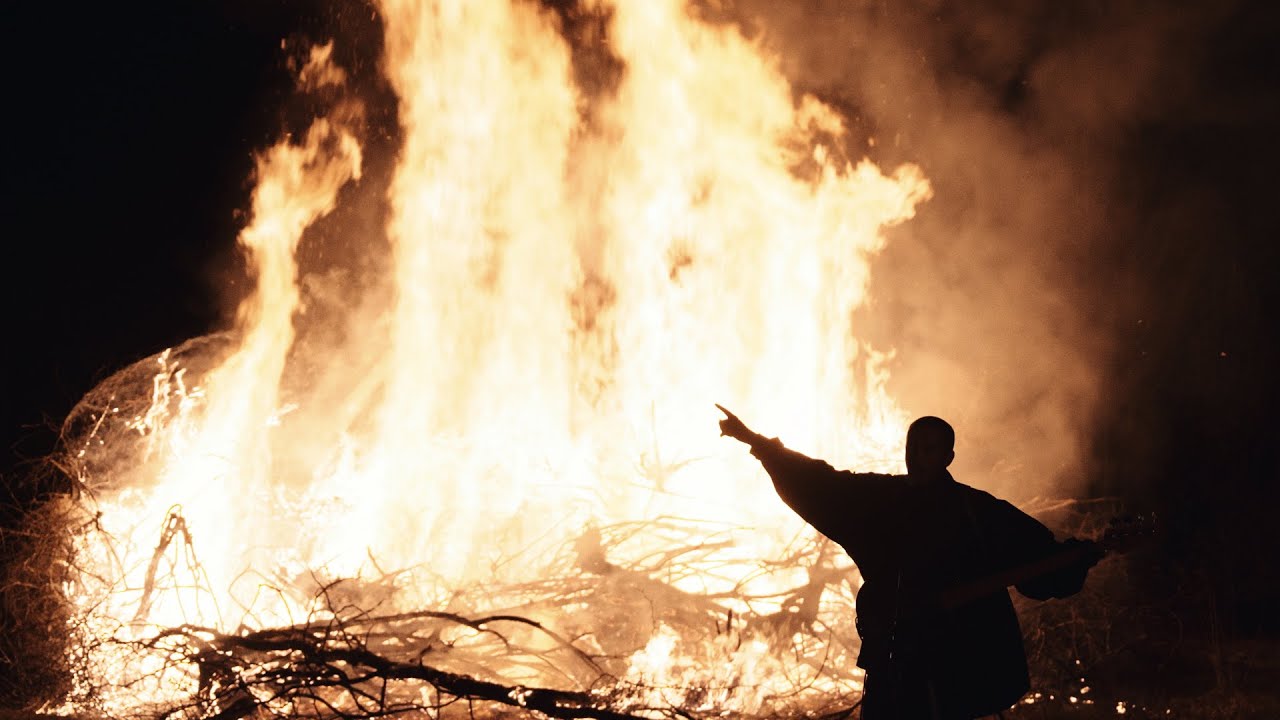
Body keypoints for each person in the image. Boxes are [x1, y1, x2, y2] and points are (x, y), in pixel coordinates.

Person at [716, 406, 1103, 720]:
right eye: (914, 446)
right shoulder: (882, 499)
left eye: (930, 449)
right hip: (892, 659)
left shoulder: (976, 511)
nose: (918, 456)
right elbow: (822, 483)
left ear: (948, 456)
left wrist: (1082, 555)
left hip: (951, 663)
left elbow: (1036, 555)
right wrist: (758, 443)